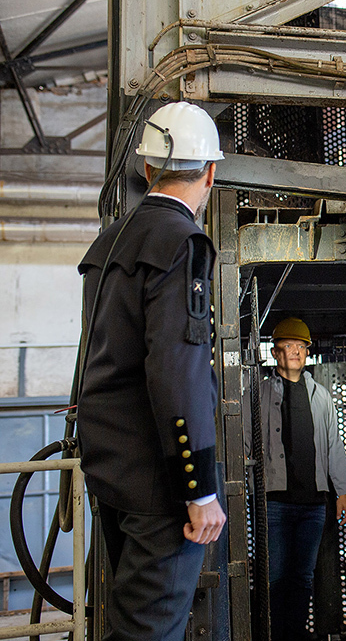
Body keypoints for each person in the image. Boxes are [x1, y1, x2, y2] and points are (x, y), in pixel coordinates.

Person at [76, 101, 227, 640]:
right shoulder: (179, 243)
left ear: (145, 169)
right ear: (211, 173)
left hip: (113, 477)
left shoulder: (107, 243)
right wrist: (200, 489)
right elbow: (175, 372)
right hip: (162, 490)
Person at [256, 317, 346, 641]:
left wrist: (343, 492)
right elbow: (245, 442)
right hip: (275, 503)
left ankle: (295, 635)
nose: (295, 352)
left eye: (300, 346)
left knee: (301, 578)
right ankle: (273, 635)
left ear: (307, 352)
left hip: (313, 503)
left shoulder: (321, 395)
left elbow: (333, 444)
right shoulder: (258, 393)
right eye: (288, 346)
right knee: (275, 577)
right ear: (275, 353)